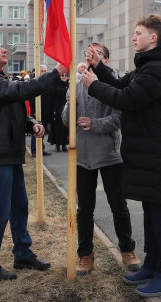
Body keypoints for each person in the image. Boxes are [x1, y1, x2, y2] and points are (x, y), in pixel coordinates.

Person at [81, 15, 161, 298]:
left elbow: (126, 99)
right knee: (152, 214)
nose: (134, 37)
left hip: (158, 155)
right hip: (149, 153)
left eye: (139, 33)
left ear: (154, 38)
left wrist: (92, 84)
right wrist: (99, 69)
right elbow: (121, 83)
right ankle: (153, 264)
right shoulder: (146, 67)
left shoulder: (157, 71)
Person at [0, 40, 68, 282]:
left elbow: (11, 108)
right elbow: (19, 92)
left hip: (8, 153)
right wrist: (55, 74)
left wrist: (31, 123)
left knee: (19, 206)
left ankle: (23, 254)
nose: (3, 49)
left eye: (3, 45)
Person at [63, 41, 141, 275]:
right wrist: (71, 108)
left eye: (95, 55)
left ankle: (127, 250)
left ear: (105, 60)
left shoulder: (115, 84)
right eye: (87, 56)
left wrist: (95, 124)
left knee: (118, 205)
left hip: (110, 154)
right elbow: (67, 121)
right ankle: (85, 254)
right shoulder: (76, 83)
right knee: (84, 209)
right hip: (83, 156)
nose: (90, 60)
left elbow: (120, 118)